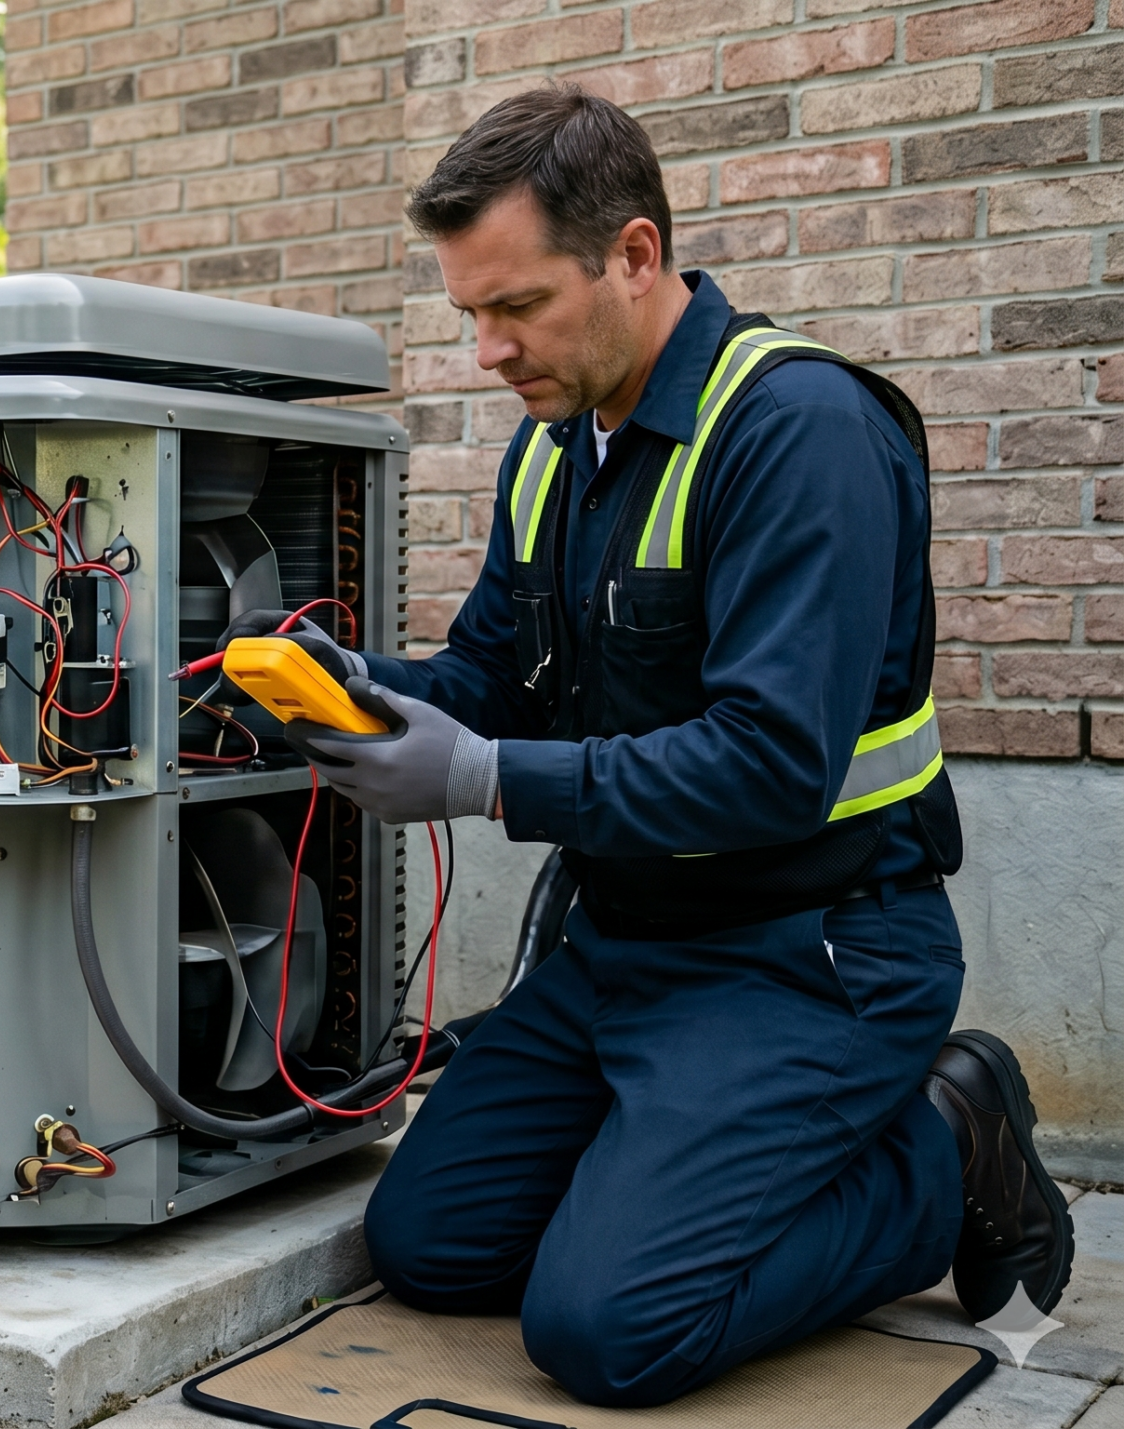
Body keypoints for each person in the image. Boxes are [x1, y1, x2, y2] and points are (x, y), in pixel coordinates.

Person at [227, 86, 1072, 1408]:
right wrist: (360, 688)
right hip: (630, 949)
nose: (486, 352)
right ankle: (673, 1165)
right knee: (430, 1245)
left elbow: (771, 763)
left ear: (632, 255)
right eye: (470, 315)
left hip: (813, 957)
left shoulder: (800, 434)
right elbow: (491, 678)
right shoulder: (554, 453)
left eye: (517, 308)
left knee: (608, 1332)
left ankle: (945, 1146)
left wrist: (479, 782)